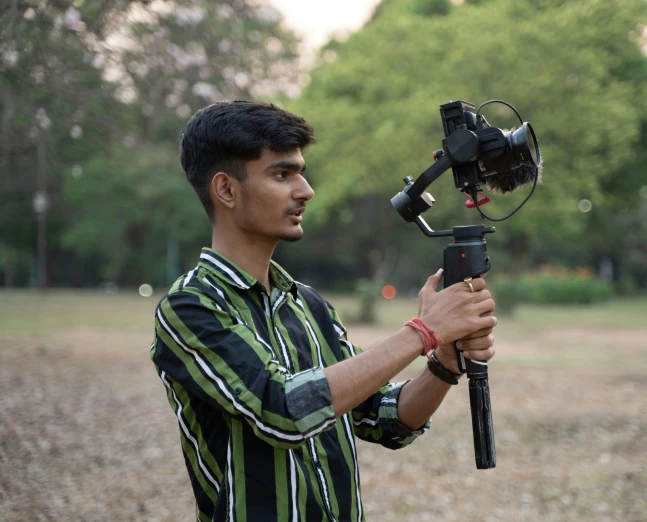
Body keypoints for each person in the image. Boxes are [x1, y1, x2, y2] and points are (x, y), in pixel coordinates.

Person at [150, 101, 497, 522]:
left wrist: (443, 362)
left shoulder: (308, 305)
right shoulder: (191, 307)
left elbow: (382, 417)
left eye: (301, 171)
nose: (305, 190)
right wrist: (422, 331)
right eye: (282, 174)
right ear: (226, 189)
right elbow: (283, 410)